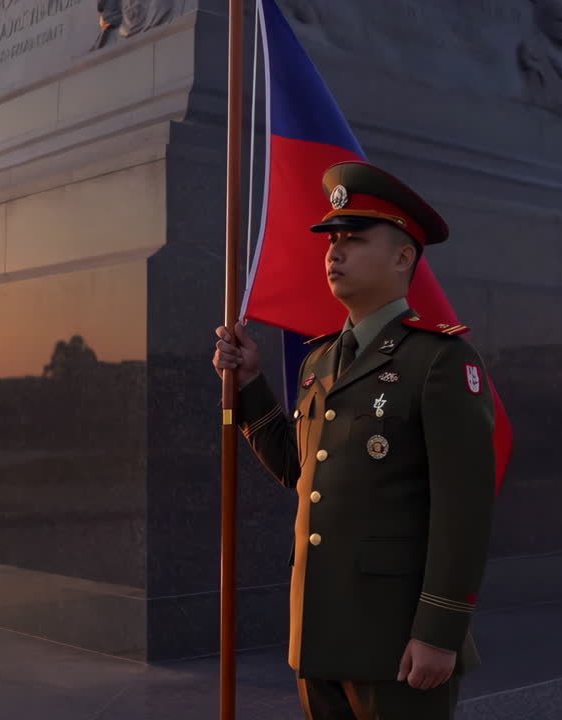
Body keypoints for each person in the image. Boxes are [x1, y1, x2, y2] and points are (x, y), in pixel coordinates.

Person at [212, 161, 498, 719]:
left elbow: (463, 510)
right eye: (332, 240)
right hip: (319, 634)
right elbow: (303, 472)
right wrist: (250, 383)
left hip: (397, 644)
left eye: (354, 239)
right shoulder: (320, 359)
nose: (334, 253)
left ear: (402, 257)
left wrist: (439, 630)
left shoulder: (439, 360)